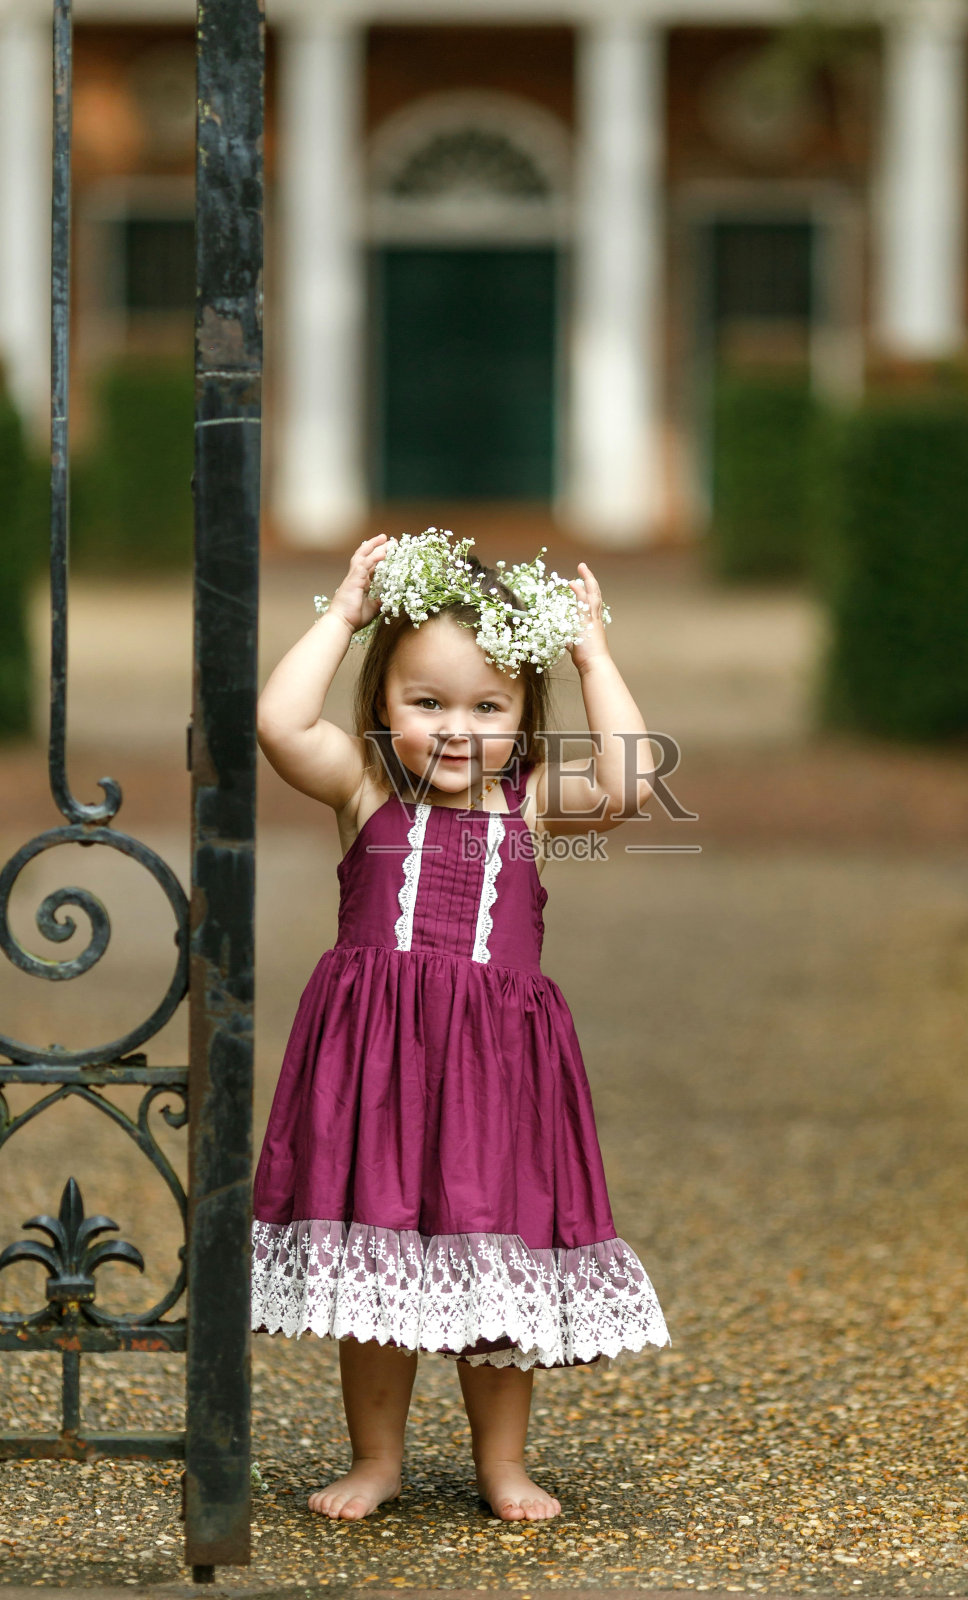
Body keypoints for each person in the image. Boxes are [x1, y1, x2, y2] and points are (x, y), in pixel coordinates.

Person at [250, 528, 670, 1524]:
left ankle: (502, 1463)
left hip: (494, 1074)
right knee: (379, 1262)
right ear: (380, 702)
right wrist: (344, 616)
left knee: (495, 1262)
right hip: (376, 1071)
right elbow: (275, 721)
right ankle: (379, 1457)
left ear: (525, 719)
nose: (454, 729)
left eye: (488, 707)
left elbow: (630, 782)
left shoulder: (528, 806)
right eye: (424, 702)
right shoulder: (361, 789)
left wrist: (592, 654)